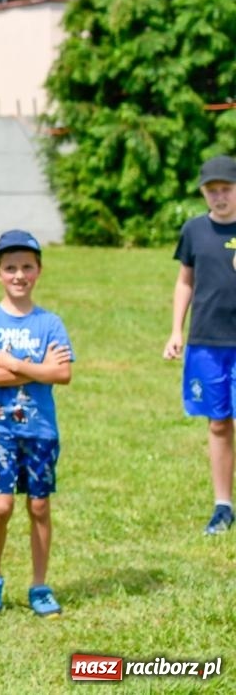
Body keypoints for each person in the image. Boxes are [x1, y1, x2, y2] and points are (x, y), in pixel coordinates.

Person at [0, 229, 73, 619]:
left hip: (40, 428)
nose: (18, 275)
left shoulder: (51, 323)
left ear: (39, 271)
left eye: (27, 267)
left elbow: (63, 374)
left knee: (40, 506)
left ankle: (39, 584)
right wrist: (39, 369)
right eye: (10, 267)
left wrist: (15, 363)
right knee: (2, 504)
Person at [165, 155, 236, 536]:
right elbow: (185, 282)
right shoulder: (195, 231)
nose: (219, 197)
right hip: (207, 341)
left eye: (226, 189)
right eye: (212, 190)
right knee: (219, 422)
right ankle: (223, 505)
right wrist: (176, 330)